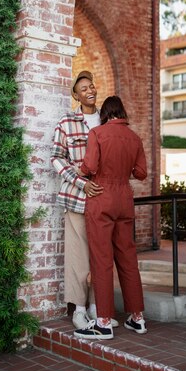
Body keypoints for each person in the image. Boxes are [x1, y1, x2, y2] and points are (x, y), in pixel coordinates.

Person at [74, 95, 148, 340]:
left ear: (105, 113)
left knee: (102, 259)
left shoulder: (98, 133)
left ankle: (103, 322)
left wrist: (79, 171)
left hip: (102, 196)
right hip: (124, 199)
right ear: (122, 111)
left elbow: (89, 166)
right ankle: (137, 318)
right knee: (128, 258)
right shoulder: (134, 137)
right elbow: (141, 173)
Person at [51, 71, 118, 329]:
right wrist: (81, 182)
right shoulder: (67, 122)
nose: (90, 90)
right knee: (79, 256)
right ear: (76, 96)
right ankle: (79, 310)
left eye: (92, 86)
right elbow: (57, 158)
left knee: (100, 255)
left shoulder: (106, 120)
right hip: (77, 198)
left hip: (104, 199)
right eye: (83, 88)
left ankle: (96, 308)